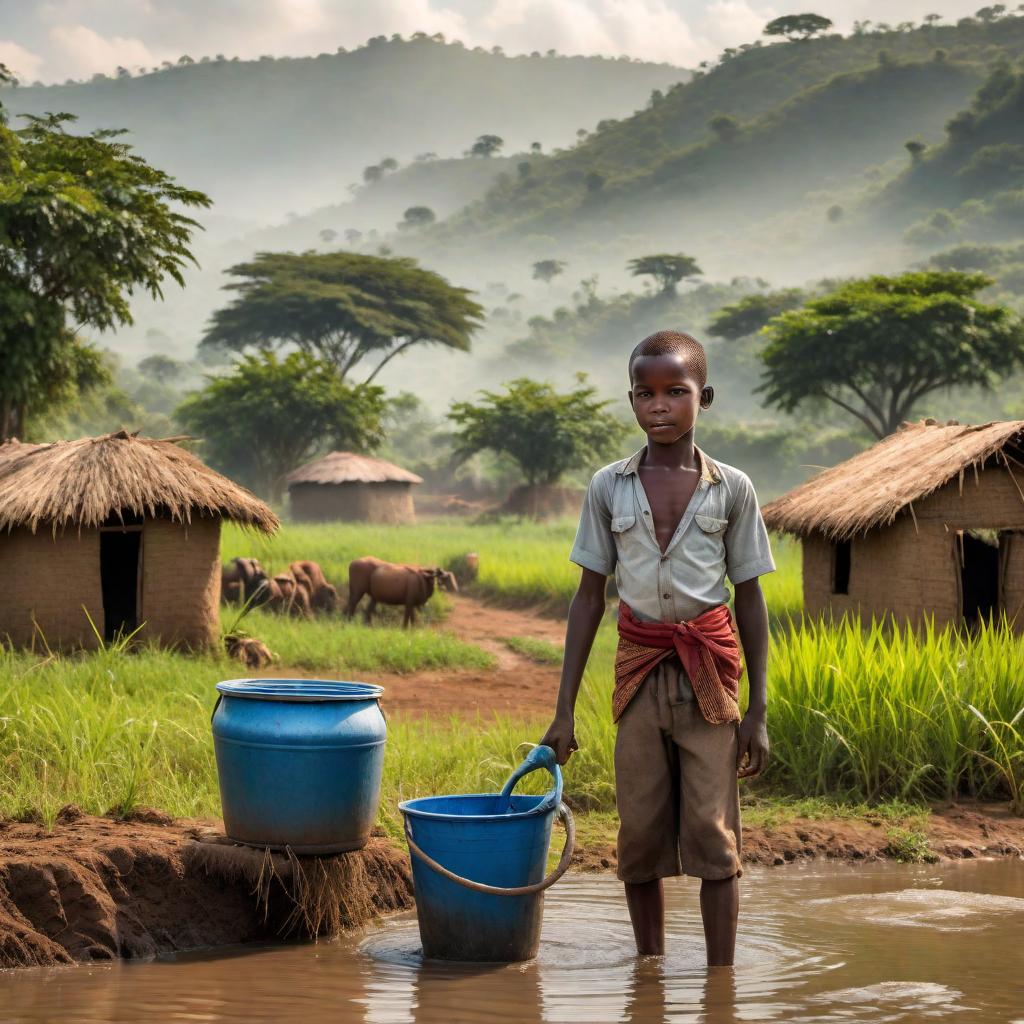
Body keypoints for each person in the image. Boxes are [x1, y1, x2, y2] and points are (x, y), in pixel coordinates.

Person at [540, 329, 774, 967]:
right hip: (639, 676)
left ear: (706, 397)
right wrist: (563, 711)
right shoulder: (608, 488)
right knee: (638, 833)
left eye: (676, 391)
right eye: (645, 393)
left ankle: (719, 980)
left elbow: (749, 600)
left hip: (711, 680)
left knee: (713, 834)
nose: (660, 405)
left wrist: (757, 710)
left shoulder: (732, 489)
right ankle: (650, 972)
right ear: (632, 400)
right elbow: (589, 598)